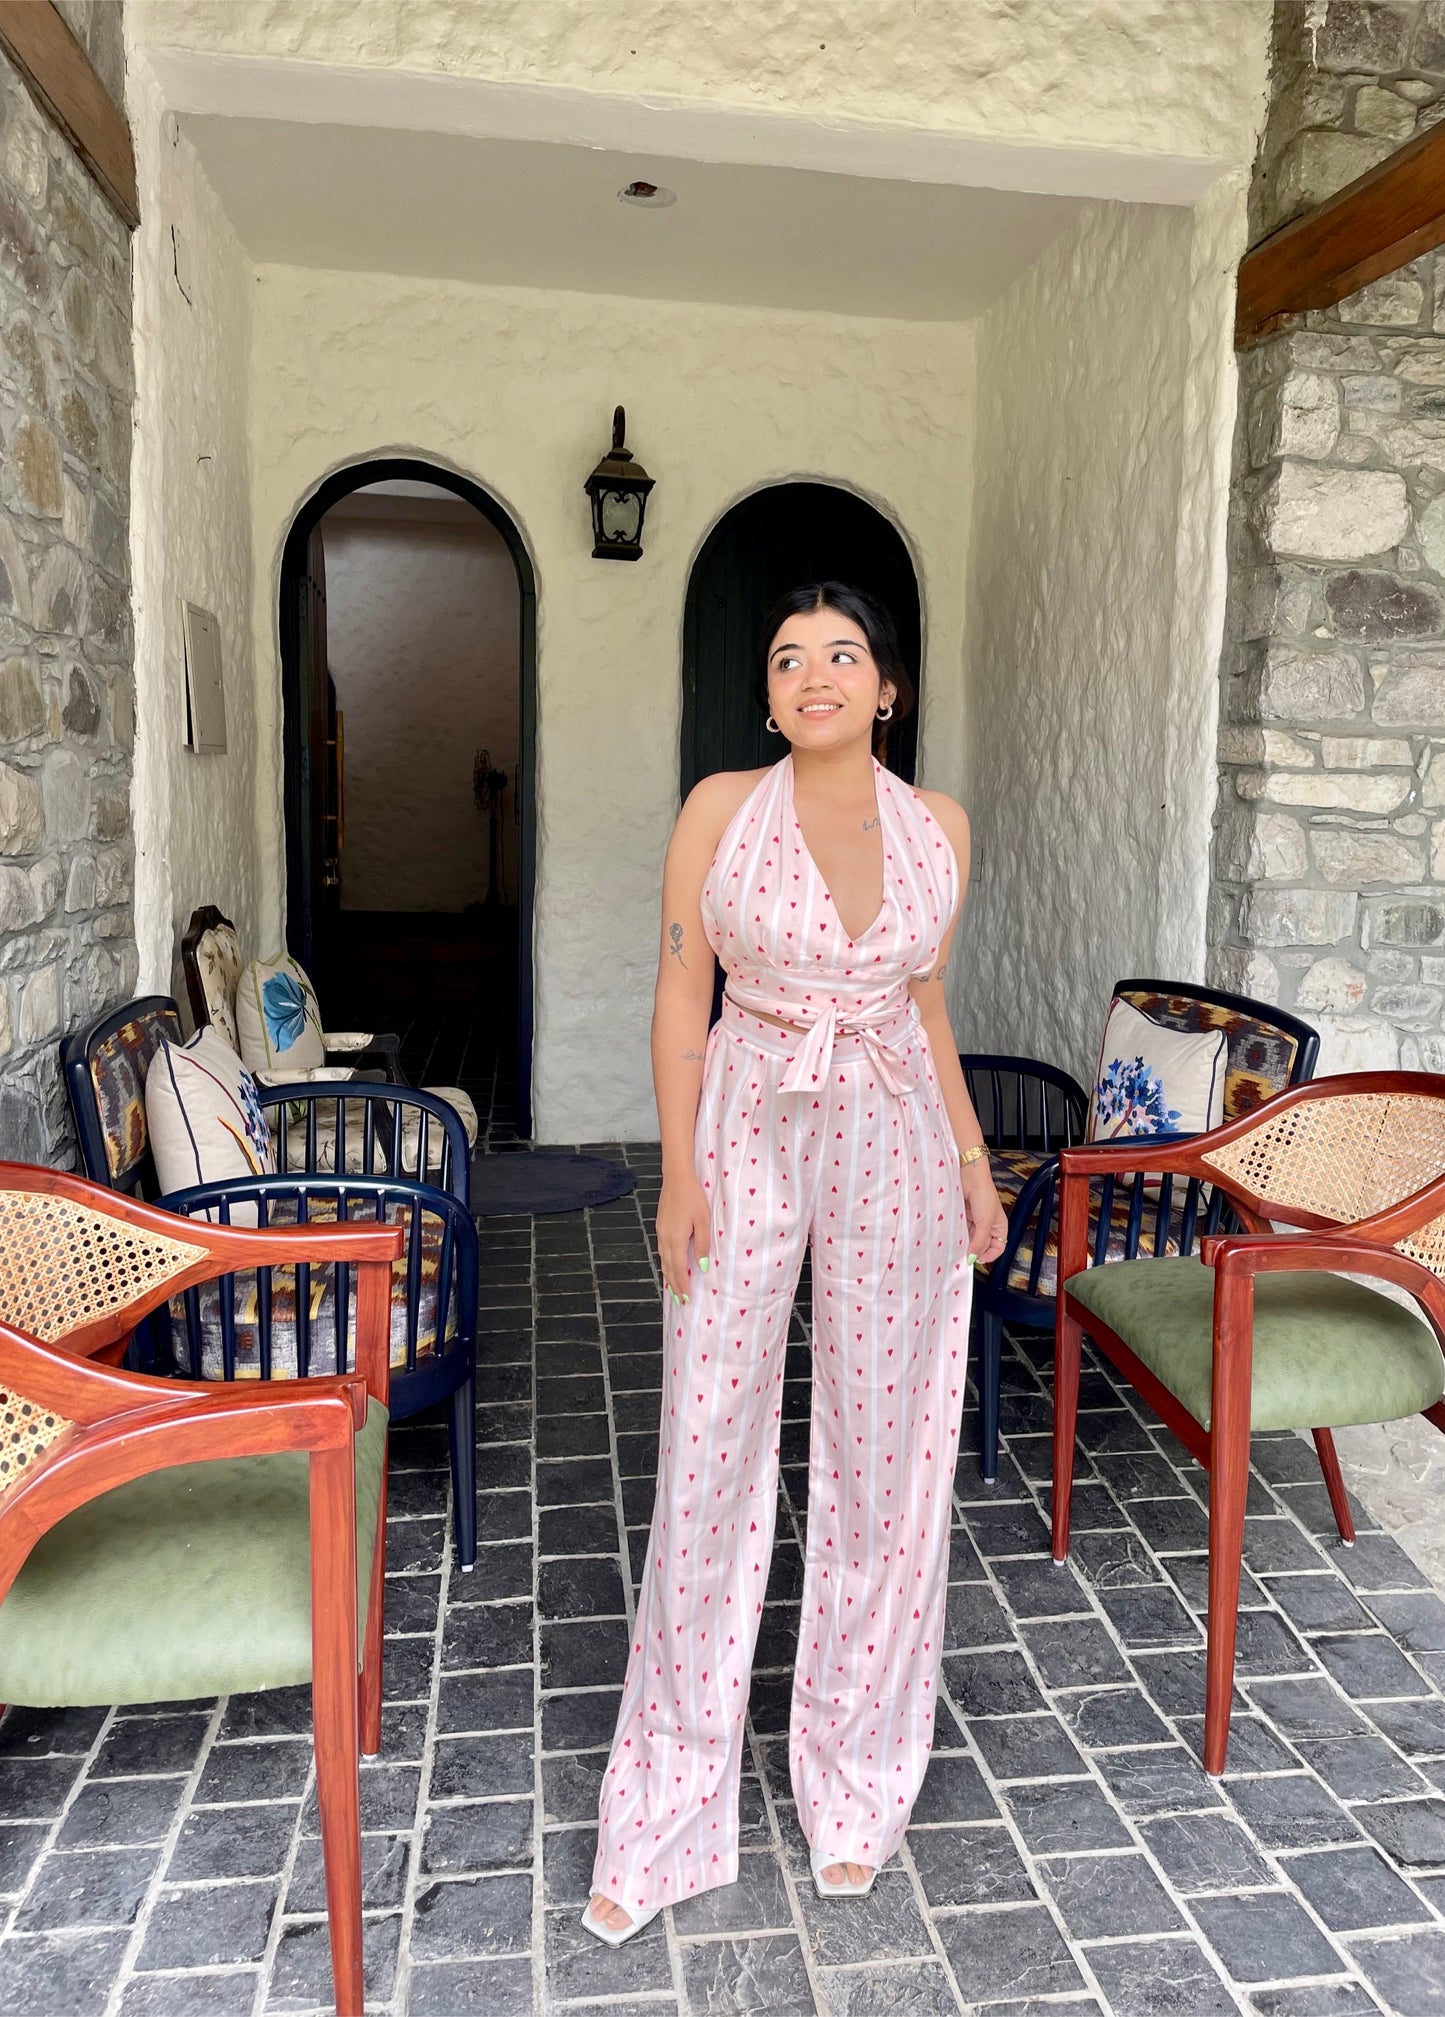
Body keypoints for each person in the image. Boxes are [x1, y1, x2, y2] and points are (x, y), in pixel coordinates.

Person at [581, 581, 1008, 1945]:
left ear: (886, 686)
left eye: (842, 653)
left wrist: (972, 1159)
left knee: (886, 1454)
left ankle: (857, 1780)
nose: (813, 673)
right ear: (767, 697)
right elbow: (679, 989)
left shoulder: (939, 826)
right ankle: (667, 1800)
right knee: (709, 1444)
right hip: (747, 1116)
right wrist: (678, 1171)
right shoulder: (719, 808)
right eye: (786, 658)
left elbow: (927, 1002)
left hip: (893, 1127)